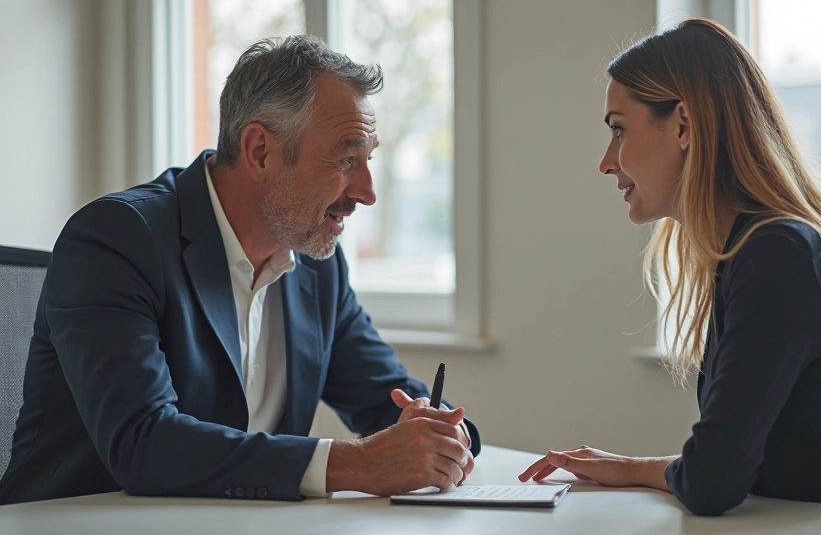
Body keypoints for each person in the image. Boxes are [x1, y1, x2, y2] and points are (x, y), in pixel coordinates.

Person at [0, 35, 480, 504]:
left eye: (368, 160)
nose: (367, 191)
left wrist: (441, 433)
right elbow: (144, 443)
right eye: (346, 158)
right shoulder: (116, 239)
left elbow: (387, 399)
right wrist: (353, 464)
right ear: (259, 151)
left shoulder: (317, 269)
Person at [518, 19, 821, 518]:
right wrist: (633, 468)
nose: (607, 161)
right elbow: (730, 467)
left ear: (684, 125)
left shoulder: (778, 256)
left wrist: (646, 469)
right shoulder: (753, 248)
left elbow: (711, 484)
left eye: (619, 129)